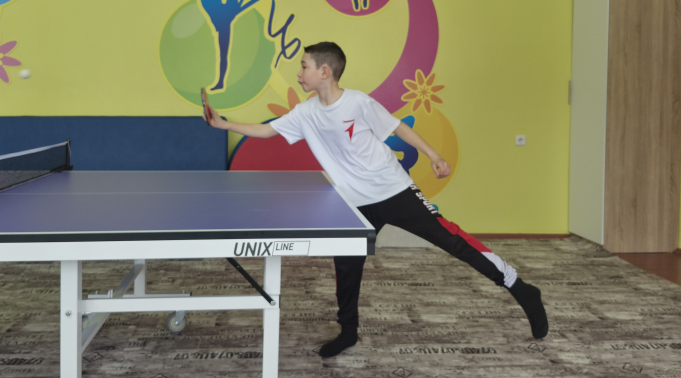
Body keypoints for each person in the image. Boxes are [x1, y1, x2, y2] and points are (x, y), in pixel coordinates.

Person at [204, 41, 549, 358]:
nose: (298, 73)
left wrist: (433, 154)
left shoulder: (358, 103)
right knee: (346, 266)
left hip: (393, 190)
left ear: (324, 71)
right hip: (353, 201)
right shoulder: (306, 112)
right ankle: (348, 332)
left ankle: (519, 287)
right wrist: (223, 125)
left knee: (452, 240)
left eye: (304, 66)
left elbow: (398, 127)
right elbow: (268, 130)